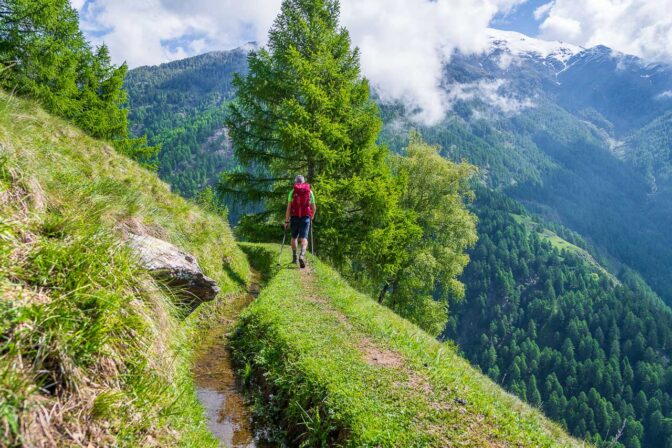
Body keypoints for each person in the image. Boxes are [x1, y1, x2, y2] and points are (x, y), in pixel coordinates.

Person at [284, 175, 316, 268]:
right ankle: (301, 255)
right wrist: (312, 216)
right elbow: (314, 207)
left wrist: (286, 221)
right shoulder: (309, 192)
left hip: (294, 217)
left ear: (295, 182)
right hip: (305, 217)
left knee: (294, 237)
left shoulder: (292, 192)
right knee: (304, 238)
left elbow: (289, 208)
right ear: (303, 182)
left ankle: (294, 258)